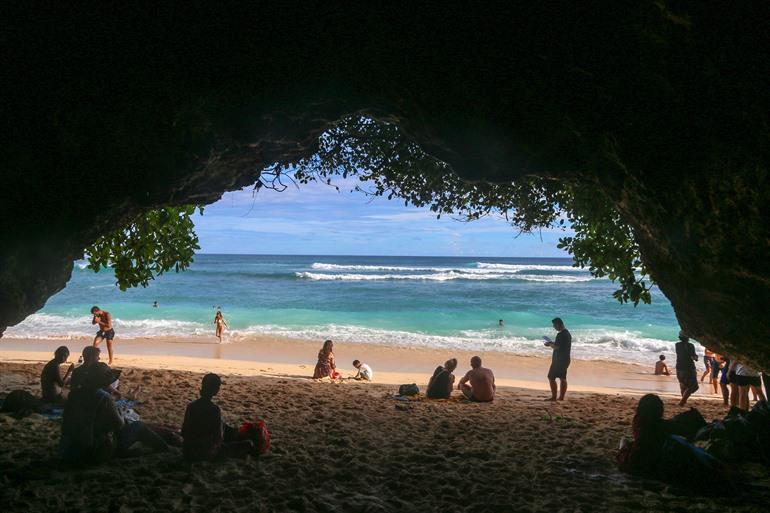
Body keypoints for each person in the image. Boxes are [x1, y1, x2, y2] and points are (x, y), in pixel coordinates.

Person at [60, 361, 168, 464]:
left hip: (70, 450)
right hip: (94, 452)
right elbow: (119, 424)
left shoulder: (74, 394)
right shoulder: (104, 397)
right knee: (138, 426)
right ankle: (164, 448)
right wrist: (120, 413)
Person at [181, 373, 254, 461]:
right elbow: (218, 438)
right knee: (249, 444)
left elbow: (184, 431)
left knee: (224, 427)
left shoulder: (191, 406)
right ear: (215, 390)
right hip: (207, 453)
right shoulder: (214, 409)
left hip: (187, 451)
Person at [545, 317, 571, 401]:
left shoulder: (561, 334)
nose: (554, 327)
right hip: (565, 359)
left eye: (554, 325)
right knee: (562, 377)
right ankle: (561, 397)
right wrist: (552, 343)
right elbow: (560, 345)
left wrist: (550, 345)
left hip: (559, 360)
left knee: (551, 377)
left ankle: (554, 397)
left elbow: (556, 347)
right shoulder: (566, 333)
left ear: (559, 324)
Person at [674, 331, 699, 406]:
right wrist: (696, 357)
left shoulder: (677, 345)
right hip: (689, 367)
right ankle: (682, 402)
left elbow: (683, 354)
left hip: (679, 366)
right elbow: (693, 356)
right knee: (691, 386)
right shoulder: (690, 345)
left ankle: (683, 401)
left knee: (683, 384)